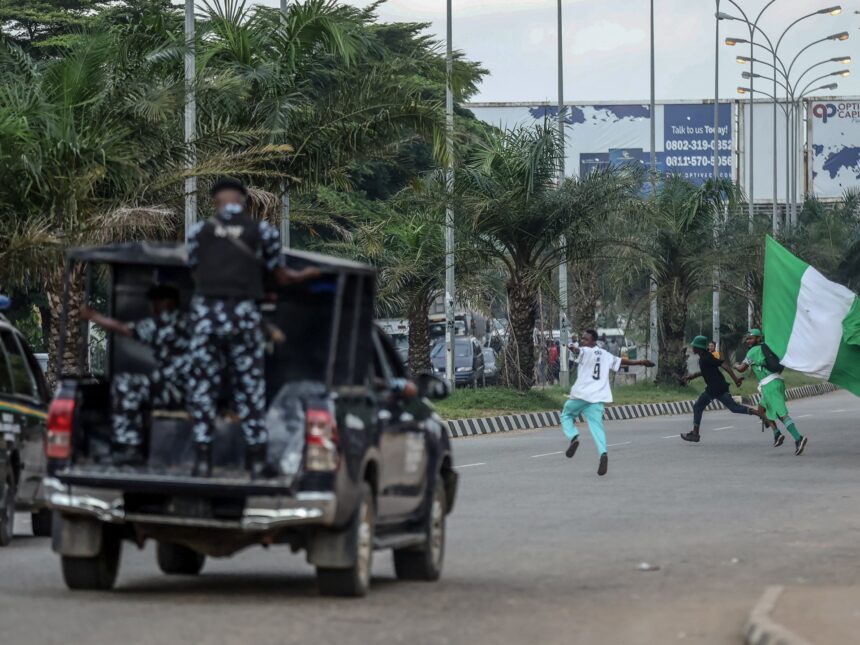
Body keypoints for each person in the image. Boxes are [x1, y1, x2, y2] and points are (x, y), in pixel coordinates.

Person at [186, 177, 319, 478]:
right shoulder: (261, 232)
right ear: (244, 202)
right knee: (249, 389)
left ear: (216, 202)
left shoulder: (199, 232)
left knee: (203, 389)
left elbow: (193, 271)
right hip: (244, 320)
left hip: (206, 321)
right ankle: (256, 461)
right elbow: (281, 276)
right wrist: (307, 275)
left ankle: (203, 460)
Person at [80, 285, 190, 465]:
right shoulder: (187, 321)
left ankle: (128, 447)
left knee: (125, 384)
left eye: (156, 303)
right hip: (194, 390)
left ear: (168, 303)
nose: (153, 307)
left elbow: (126, 329)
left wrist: (93, 317)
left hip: (179, 391)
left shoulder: (167, 321)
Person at [561, 329, 654, 476]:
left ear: (593, 341)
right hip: (598, 397)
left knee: (566, 415)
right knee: (597, 428)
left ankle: (573, 437)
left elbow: (578, 350)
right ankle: (603, 453)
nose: (583, 341)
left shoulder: (585, 351)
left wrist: (574, 347)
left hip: (581, 395)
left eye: (585, 339)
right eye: (582, 339)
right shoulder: (605, 354)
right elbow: (621, 361)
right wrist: (641, 362)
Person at [734, 329, 807, 455]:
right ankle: (777, 433)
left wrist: (735, 365)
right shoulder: (767, 348)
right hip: (773, 382)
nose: (748, 341)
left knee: (781, 414)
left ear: (758, 338)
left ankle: (798, 438)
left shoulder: (753, 351)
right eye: (748, 338)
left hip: (770, 385)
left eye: (751, 338)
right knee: (761, 410)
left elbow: (741, 368)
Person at [680, 335, 762, 443]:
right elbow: (705, 371)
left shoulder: (707, 357)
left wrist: (735, 379)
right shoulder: (704, 357)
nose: (692, 348)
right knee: (734, 408)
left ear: (699, 348)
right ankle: (759, 414)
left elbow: (724, 365)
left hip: (714, 388)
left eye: (694, 346)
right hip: (720, 386)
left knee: (697, 406)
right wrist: (691, 376)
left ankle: (695, 434)